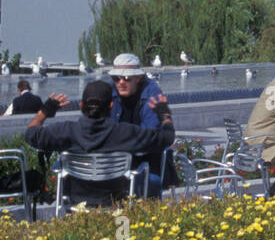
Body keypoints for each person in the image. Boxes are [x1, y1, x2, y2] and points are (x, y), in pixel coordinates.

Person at [25, 82, 174, 207]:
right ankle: (129, 232)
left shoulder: (65, 131)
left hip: (76, 199)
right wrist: (164, 114)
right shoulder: (124, 132)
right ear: (111, 105)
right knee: (153, 182)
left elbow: (31, 134)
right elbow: (167, 137)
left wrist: (44, 112)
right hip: (116, 199)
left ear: (81, 105)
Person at [108, 53, 175, 195]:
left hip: (148, 161)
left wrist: (117, 139)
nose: (121, 82)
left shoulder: (152, 92)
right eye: (116, 78)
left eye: (126, 78)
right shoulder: (110, 89)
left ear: (138, 78)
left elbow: (150, 133)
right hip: (118, 159)